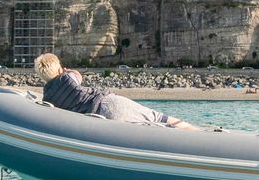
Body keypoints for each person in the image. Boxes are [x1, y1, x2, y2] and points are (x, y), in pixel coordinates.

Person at [35, 53, 193, 129]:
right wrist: (66, 71)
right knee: (159, 118)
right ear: (59, 68)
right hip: (108, 103)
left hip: (99, 121)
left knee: (150, 128)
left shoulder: (48, 97)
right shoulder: (66, 77)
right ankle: (198, 134)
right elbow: (77, 76)